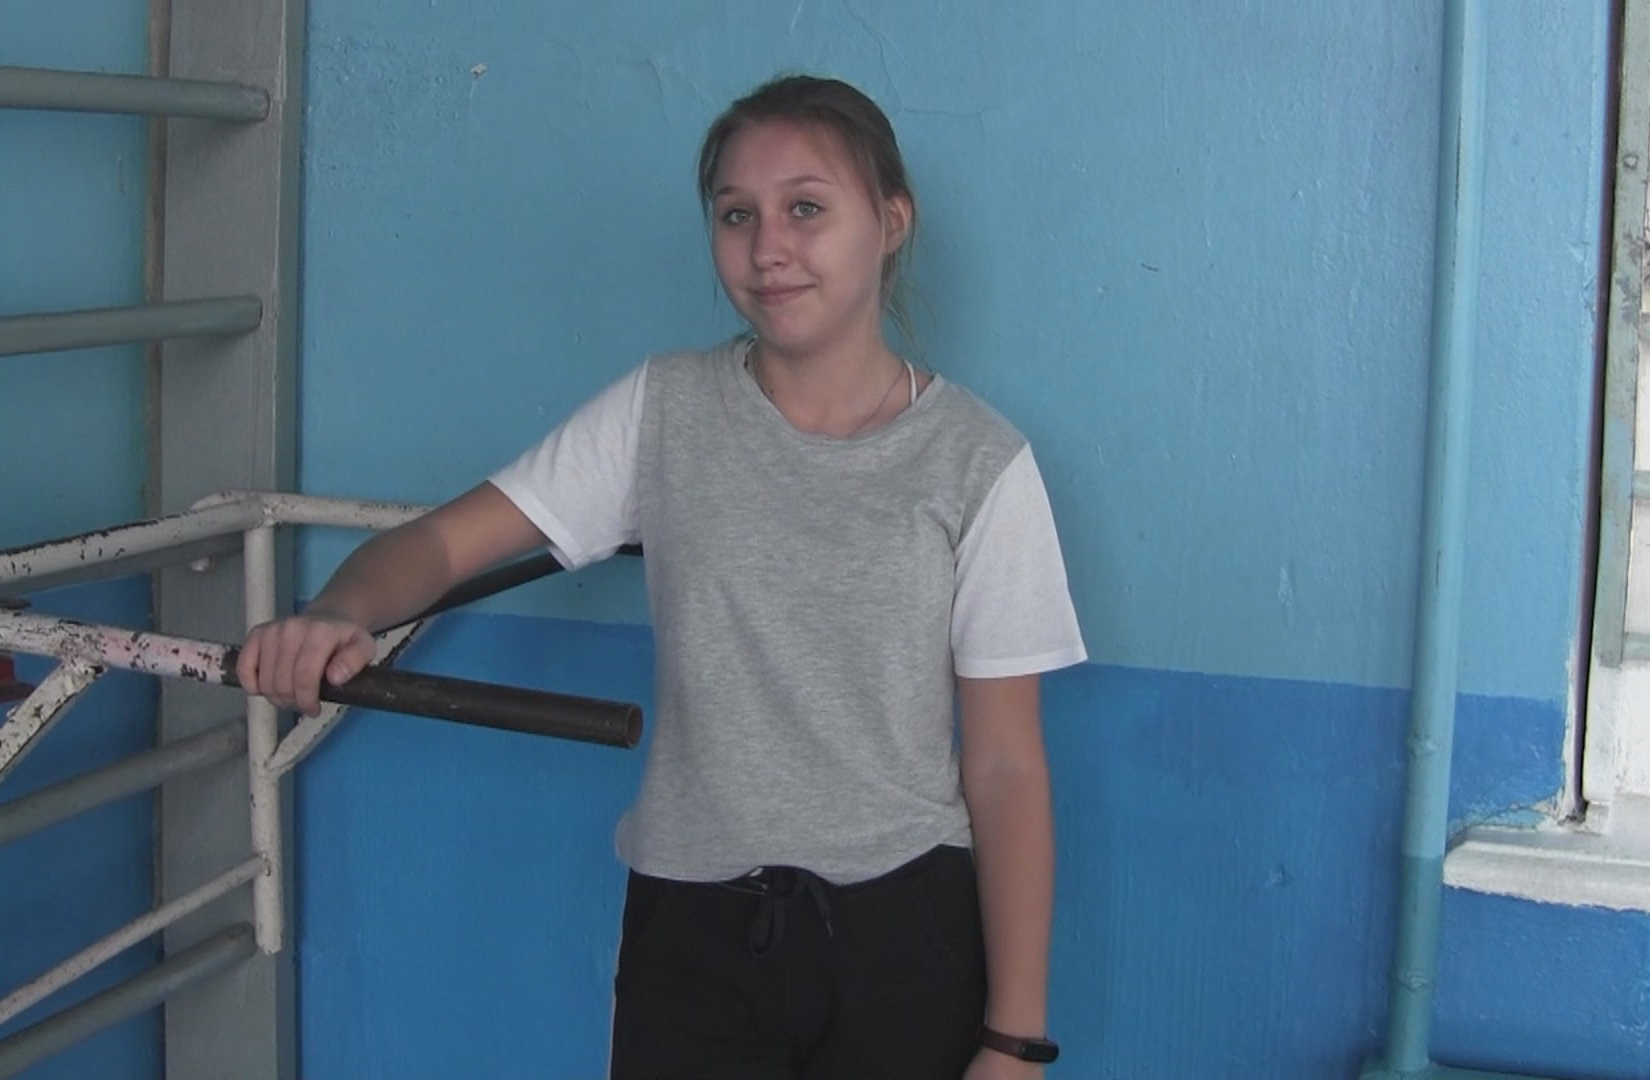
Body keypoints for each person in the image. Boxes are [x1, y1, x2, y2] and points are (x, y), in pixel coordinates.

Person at [237, 73, 1085, 1080]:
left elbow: (1005, 766)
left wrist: (1014, 1039)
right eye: (737, 214)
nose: (768, 248)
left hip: (904, 928)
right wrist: (341, 609)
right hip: (692, 930)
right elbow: (441, 545)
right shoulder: (665, 411)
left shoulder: (980, 463)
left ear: (890, 222)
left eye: (806, 209)